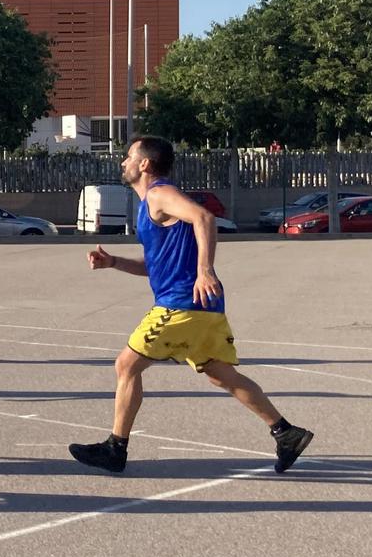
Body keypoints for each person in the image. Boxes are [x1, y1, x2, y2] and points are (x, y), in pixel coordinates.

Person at [70, 136, 314, 474]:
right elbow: (154, 268)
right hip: (202, 305)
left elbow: (205, 218)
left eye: (129, 157)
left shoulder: (159, 194)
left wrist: (204, 270)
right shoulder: (151, 205)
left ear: (144, 164)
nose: (123, 162)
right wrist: (113, 262)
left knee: (126, 366)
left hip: (182, 303)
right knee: (220, 374)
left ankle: (115, 449)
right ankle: (285, 433)